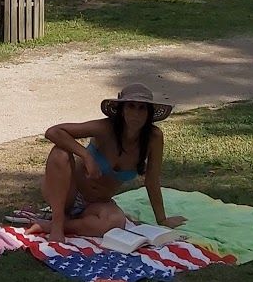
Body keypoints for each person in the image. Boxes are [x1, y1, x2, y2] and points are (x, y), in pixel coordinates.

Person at [34, 84, 186, 242]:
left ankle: (54, 225)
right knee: (60, 153)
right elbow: (53, 132)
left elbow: (152, 180)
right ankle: (57, 225)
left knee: (115, 222)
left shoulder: (153, 138)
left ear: (149, 113)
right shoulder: (105, 128)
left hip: (98, 203)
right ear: (122, 109)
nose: (136, 113)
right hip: (68, 193)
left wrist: (162, 219)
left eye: (142, 108)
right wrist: (86, 156)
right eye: (131, 106)